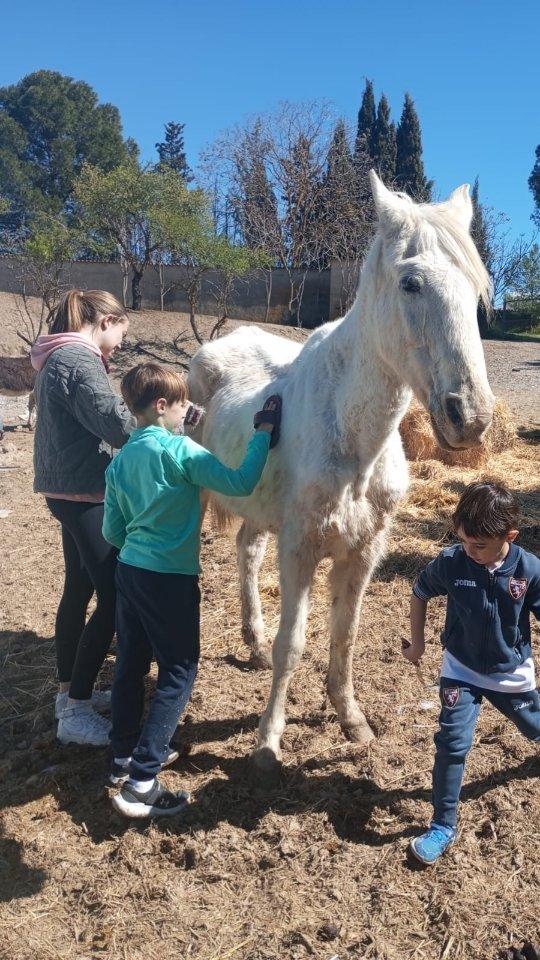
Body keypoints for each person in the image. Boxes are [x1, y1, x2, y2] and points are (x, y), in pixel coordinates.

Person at [103, 362, 282, 818]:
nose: (189, 412)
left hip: (129, 571)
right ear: (162, 405)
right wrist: (262, 433)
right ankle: (142, 781)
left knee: (130, 664)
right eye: (183, 404)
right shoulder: (180, 450)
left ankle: (121, 757)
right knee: (179, 672)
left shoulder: (120, 460)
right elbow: (241, 482)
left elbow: (112, 531)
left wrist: (140, 547)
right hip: (170, 579)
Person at [403, 481, 540, 865]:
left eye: (478, 545)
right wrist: (417, 644)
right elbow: (419, 592)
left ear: (509, 537)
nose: (469, 550)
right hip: (460, 669)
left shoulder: (529, 570)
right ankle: (442, 826)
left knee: (535, 727)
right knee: (452, 743)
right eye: (462, 540)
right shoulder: (452, 562)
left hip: (510, 674)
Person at [31, 290, 135, 747]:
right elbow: (118, 425)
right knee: (115, 598)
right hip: (86, 494)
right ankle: (75, 713)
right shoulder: (78, 360)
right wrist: (174, 418)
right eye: (120, 334)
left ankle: (68, 693)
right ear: (106, 321)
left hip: (65, 489)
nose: (120, 344)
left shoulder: (55, 357)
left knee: (78, 590)